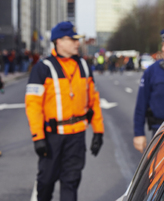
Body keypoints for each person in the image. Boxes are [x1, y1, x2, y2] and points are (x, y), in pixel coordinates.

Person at [25, 21, 105, 201]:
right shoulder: (42, 68)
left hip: (76, 137)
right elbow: (33, 105)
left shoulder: (83, 66)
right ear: (58, 41)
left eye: (77, 40)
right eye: (72, 39)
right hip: (52, 137)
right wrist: (38, 137)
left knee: (71, 182)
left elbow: (94, 101)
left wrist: (98, 132)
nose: (77, 43)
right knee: (45, 183)